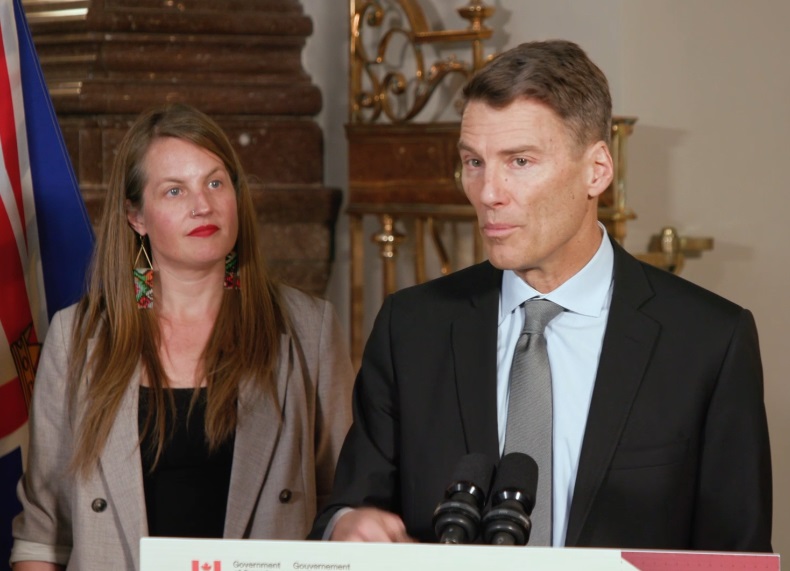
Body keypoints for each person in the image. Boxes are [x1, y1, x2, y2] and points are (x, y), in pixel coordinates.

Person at [309, 40, 773, 551]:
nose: (488, 192)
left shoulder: (709, 341)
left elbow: (736, 553)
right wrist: (346, 524)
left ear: (597, 170)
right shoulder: (411, 328)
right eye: (473, 162)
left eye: (520, 161)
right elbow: (348, 508)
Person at [11, 103, 354, 571]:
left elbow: (343, 505)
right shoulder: (76, 337)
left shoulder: (308, 328)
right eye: (175, 190)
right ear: (136, 216)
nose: (202, 205)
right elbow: (43, 535)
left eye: (215, 183)